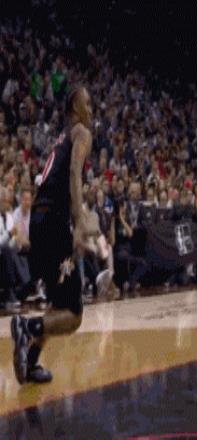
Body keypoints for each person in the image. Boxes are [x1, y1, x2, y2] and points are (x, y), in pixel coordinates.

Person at [10, 84, 94, 384]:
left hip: (40, 221)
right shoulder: (81, 132)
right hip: (55, 224)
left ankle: (31, 361)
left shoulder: (60, 138)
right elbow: (74, 174)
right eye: (87, 103)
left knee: (58, 304)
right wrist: (80, 222)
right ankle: (27, 328)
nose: (91, 109)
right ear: (75, 108)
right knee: (73, 314)